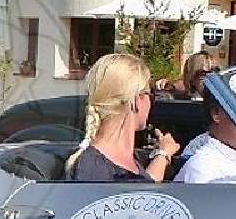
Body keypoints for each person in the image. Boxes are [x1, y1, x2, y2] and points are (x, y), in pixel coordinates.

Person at [67, 53, 181, 183]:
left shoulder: (124, 160)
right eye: (150, 95)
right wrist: (163, 154)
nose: (151, 103)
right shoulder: (93, 169)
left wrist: (162, 154)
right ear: (136, 100)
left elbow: (141, 188)